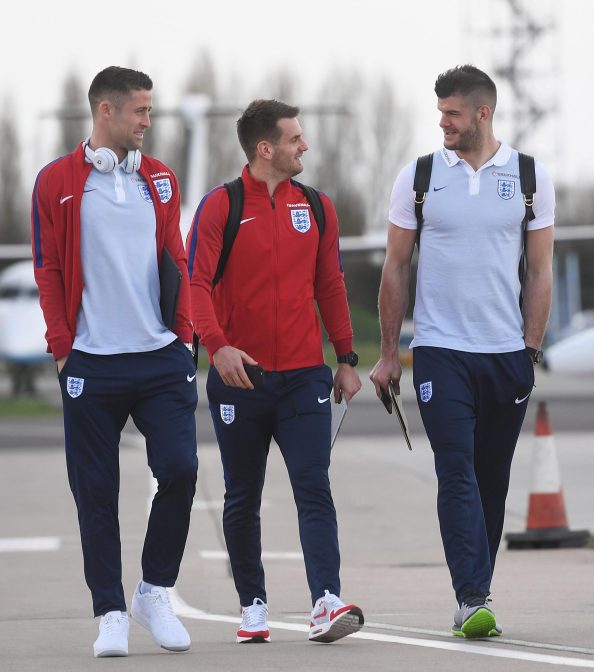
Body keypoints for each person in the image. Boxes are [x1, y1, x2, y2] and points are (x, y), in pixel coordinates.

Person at [370, 65, 555, 639]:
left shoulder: (529, 176)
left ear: (482, 113)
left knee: (491, 480)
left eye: (452, 114)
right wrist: (387, 354)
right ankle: (471, 597)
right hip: (439, 351)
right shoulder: (419, 176)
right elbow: (396, 266)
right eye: (439, 113)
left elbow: (541, 270)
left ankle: (479, 591)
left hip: (506, 355)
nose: (442, 123)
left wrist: (530, 348)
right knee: (455, 472)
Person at [31, 66, 197, 657]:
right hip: (91, 364)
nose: (148, 122)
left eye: (150, 111)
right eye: (141, 112)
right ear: (107, 111)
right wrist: (62, 350)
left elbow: (176, 256)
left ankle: (154, 590)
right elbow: (48, 268)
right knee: (95, 493)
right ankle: (109, 611)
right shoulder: (57, 182)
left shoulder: (160, 179)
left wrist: (184, 334)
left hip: (160, 357)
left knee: (180, 470)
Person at [187, 99, 363, 645]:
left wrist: (347, 357)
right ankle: (253, 605)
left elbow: (330, 284)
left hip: (307, 376)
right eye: (295, 139)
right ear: (266, 148)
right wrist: (216, 348)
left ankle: (326, 603)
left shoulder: (316, 205)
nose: (303, 146)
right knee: (243, 493)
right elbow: (195, 286)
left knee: (314, 485)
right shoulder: (220, 206)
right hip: (242, 378)